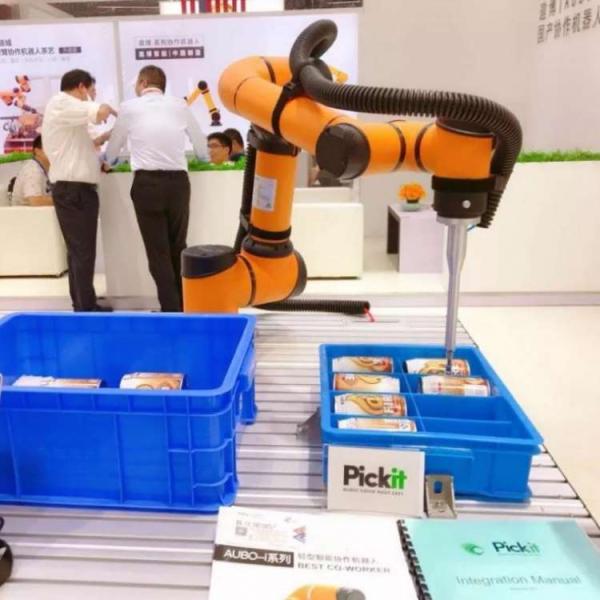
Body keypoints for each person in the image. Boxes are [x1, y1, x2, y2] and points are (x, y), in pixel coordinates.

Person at [105, 65, 208, 312]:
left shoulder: (129, 108)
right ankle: (185, 305)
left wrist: (111, 161)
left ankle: (171, 309)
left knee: (157, 251)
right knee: (178, 246)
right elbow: (201, 147)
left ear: (143, 83)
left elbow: (113, 151)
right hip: (178, 184)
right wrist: (201, 158)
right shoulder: (180, 106)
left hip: (147, 185)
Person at [42, 68, 116, 312]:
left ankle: (83, 302)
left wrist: (109, 135)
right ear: (81, 87)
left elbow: (89, 142)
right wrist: (114, 110)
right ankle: (86, 307)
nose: (92, 96)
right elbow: (100, 112)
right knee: (83, 251)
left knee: (79, 251)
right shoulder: (62, 103)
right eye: (91, 91)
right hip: (73, 191)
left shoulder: (69, 114)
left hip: (75, 190)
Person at [9, 134, 52, 206]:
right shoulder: (32, 170)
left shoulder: (45, 168)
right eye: (51, 148)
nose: (56, 152)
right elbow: (36, 201)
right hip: (24, 213)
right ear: (37, 151)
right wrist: (62, 201)